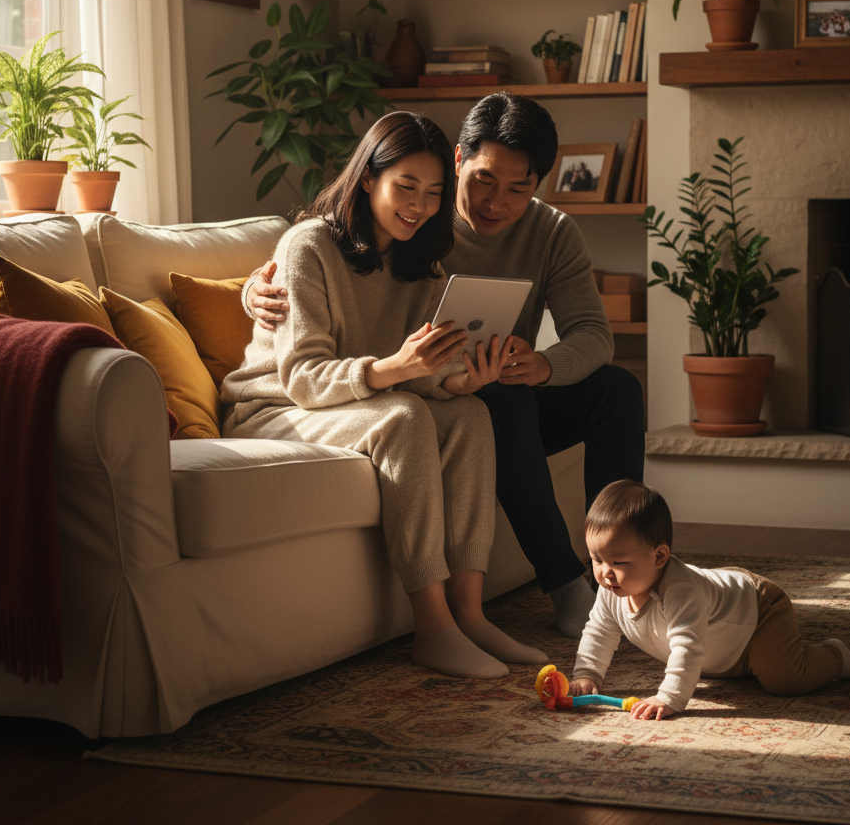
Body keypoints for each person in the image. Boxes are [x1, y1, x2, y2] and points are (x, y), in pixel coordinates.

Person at [245, 93, 646, 639]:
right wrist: (251, 291)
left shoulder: (549, 232)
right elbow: (320, 260)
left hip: (492, 386)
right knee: (497, 403)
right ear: (459, 160)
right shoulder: (420, 229)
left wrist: (543, 365)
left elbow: (595, 335)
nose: (495, 202)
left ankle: (628, 572)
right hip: (445, 394)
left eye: (517, 189)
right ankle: (566, 585)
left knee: (617, 389)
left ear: (538, 186)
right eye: (483, 179)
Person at [221, 110, 546, 679]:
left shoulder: (422, 264)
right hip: (275, 409)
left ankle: (469, 613)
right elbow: (302, 376)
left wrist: (460, 380)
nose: (418, 206)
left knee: (469, 415)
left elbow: (417, 376)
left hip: (353, 403)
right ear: (368, 178)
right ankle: (433, 627)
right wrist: (395, 367)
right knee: (401, 418)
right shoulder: (308, 247)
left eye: (433, 193)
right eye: (406, 187)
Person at [570, 480, 850, 720]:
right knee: (718, 667)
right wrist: (587, 674)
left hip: (759, 611)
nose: (604, 573)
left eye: (618, 563)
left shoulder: (680, 592)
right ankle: (745, 664)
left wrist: (669, 698)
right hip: (723, 640)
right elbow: (599, 631)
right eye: (596, 559)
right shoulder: (611, 592)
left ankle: (835, 656)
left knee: (785, 681)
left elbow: (687, 646)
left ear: (659, 556)